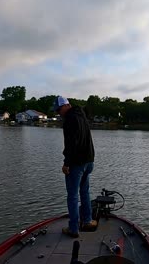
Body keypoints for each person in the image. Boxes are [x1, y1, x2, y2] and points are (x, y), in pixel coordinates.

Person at [53, 96, 97, 238]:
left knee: (72, 196)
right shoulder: (82, 115)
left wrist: (66, 163)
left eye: (59, 109)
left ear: (67, 105)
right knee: (84, 192)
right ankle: (87, 221)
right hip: (88, 161)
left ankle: (73, 228)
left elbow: (72, 144)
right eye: (57, 110)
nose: (59, 113)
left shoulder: (69, 120)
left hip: (76, 163)